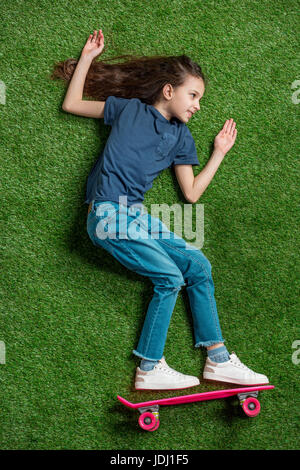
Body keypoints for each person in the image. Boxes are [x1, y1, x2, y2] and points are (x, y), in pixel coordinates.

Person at [53, 29, 269, 390]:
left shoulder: (182, 136)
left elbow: (192, 193)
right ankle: (149, 367)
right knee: (169, 278)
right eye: (193, 95)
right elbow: (72, 104)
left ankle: (217, 361)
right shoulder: (128, 110)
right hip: (107, 215)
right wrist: (87, 58)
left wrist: (218, 153)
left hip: (134, 217)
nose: (198, 105)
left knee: (198, 265)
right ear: (169, 91)